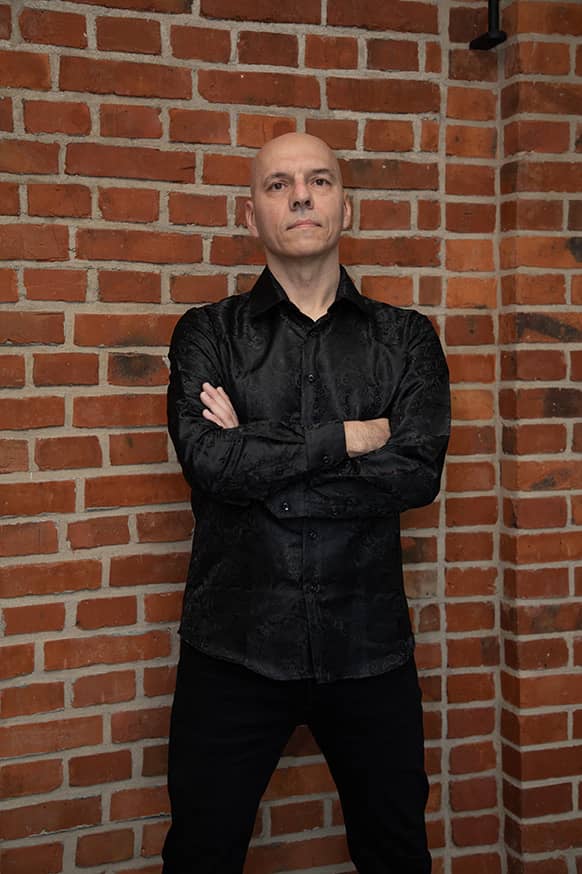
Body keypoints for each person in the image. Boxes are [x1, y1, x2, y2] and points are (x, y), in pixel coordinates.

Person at [162, 132, 450, 874]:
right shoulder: (207, 334)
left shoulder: (406, 340)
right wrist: (351, 437)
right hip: (235, 649)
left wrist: (256, 455)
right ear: (251, 214)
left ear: (344, 205)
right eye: (277, 184)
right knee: (200, 856)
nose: (299, 196)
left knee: (397, 856)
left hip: (368, 650)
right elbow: (209, 463)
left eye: (319, 181)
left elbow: (415, 474)